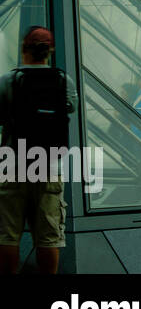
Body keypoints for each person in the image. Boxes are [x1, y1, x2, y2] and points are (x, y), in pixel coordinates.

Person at [0, 27, 78, 275]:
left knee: (7, 233)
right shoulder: (63, 80)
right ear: (50, 50)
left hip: (11, 163)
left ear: (24, 49)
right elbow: (70, 108)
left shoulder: (8, 80)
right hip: (48, 164)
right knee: (49, 234)